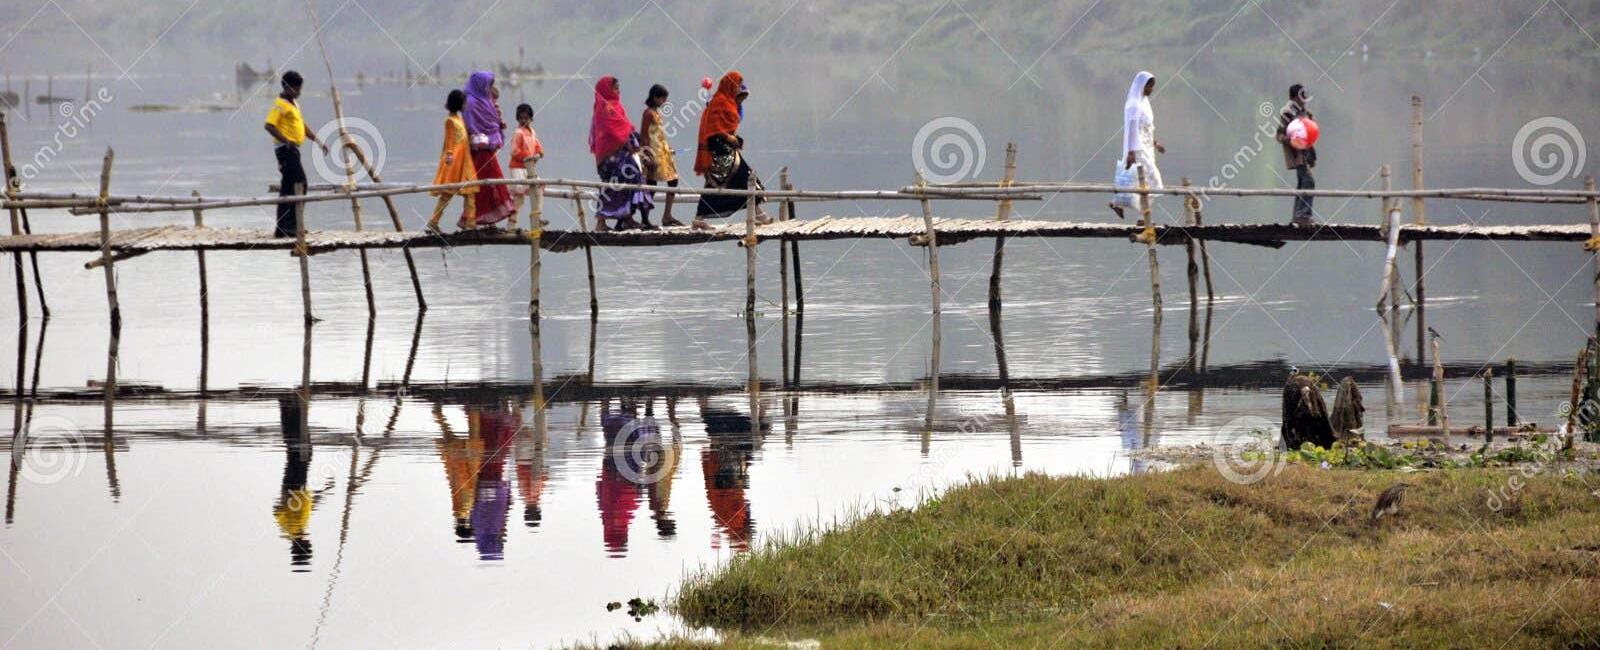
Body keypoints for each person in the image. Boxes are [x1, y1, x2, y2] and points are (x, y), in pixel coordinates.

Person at [693, 71, 771, 231]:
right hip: (719, 150)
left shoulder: (729, 101)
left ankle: (757, 212)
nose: (737, 88)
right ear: (729, 84)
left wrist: (733, 139)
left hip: (728, 149)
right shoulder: (719, 102)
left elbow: (728, 126)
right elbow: (714, 128)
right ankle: (758, 213)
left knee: (739, 179)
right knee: (740, 178)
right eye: (736, 85)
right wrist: (730, 139)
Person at [264, 71, 329, 238]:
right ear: (286, 87)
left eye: (299, 88)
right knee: (299, 183)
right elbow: (269, 126)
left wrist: (318, 140)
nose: (299, 92)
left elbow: (302, 125)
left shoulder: (294, 104)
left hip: (294, 150)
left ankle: (287, 228)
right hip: (285, 151)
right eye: (296, 88)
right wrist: (286, 140)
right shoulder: (280, 104)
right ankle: (289, 226)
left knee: (289, 187)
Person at [589, 76, 653, 231]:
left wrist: (634, 140)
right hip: (609, 156)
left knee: (633, 177)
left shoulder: (616, 106)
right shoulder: (605, 108)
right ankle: (601, 222)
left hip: (621, 153)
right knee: (613, 184)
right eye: (615, 88)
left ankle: (627, 217)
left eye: (618, 88)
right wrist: (628, 145)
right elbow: (614, 131)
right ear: (606, 90)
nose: (618, 91)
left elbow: (625, 126)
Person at [1109, 71, 1165, 236]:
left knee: (1141, 183)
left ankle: (1123, 207)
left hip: (1147, 148)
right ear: (1142, 85)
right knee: (1155, 181)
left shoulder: (1144, 102)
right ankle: (1140, 216)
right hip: (1138, 149)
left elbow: (1147, 127)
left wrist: (1156, 143)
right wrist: (1131, 152)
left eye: (1152, 86)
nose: (1151, 90)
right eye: (1149, 86)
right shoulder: (1134, 104)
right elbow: (1133, 129)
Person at [462, 71, 516, 229]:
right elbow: (471, 126)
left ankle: (488, 220)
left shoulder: (486, 101)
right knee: (484, 184)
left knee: (491, 183)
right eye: (487, 84)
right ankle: (473, 220)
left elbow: (492, 120)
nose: (489, 88)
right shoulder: (470, 103)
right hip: (478, 150)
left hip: (489, 148)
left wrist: (497, 126)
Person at [426, 89, 478, 233]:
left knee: (470, 190)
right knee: (447, 194)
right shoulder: (450, 121)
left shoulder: (460, 119)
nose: (466, 105)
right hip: (454, 163)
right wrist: (448, 160)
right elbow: (449, 143)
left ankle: (471, 223)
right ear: (458, 103)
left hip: (465, 161)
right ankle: (433, 222)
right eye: (464, 102)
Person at [641, 84, 683, 227]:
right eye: (663, 98)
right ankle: (645, 218)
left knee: (673, 180)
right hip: (653, 153)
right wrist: (647, 153)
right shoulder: (648, 113)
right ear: (655, 97)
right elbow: (645, 135)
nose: (664, 102)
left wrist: (667, 147)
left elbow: (658, 134)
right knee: (651, 184)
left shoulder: (656, 112)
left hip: (662, 152)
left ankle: (667, 215)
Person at [1277, 83, 1318, 225]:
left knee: (1302, 183)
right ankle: (1303, 215)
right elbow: (1279, 136)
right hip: (1297, 155)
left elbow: (1311, 135)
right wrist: (1292, 138)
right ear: (1294, 97)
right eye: (1301, 97)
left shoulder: (1307, 114)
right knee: (1309, 182)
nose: (1304, 99)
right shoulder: (1288, 114)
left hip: (1306, 154)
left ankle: (1298, 216)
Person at [508, 103, 546, 227]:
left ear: (531, 119)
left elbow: (539, 148)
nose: (524, 121)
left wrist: (538, 155)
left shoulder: (532, 132)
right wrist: (527, 157)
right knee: (519, 197)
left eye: (526, 118)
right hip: (518, 168)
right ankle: (511, 224)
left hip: (530, 169)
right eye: (521, 118)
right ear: (518, 119)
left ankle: (538, 217)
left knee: (539, 188)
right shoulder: (518, 132)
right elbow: (514, 151)